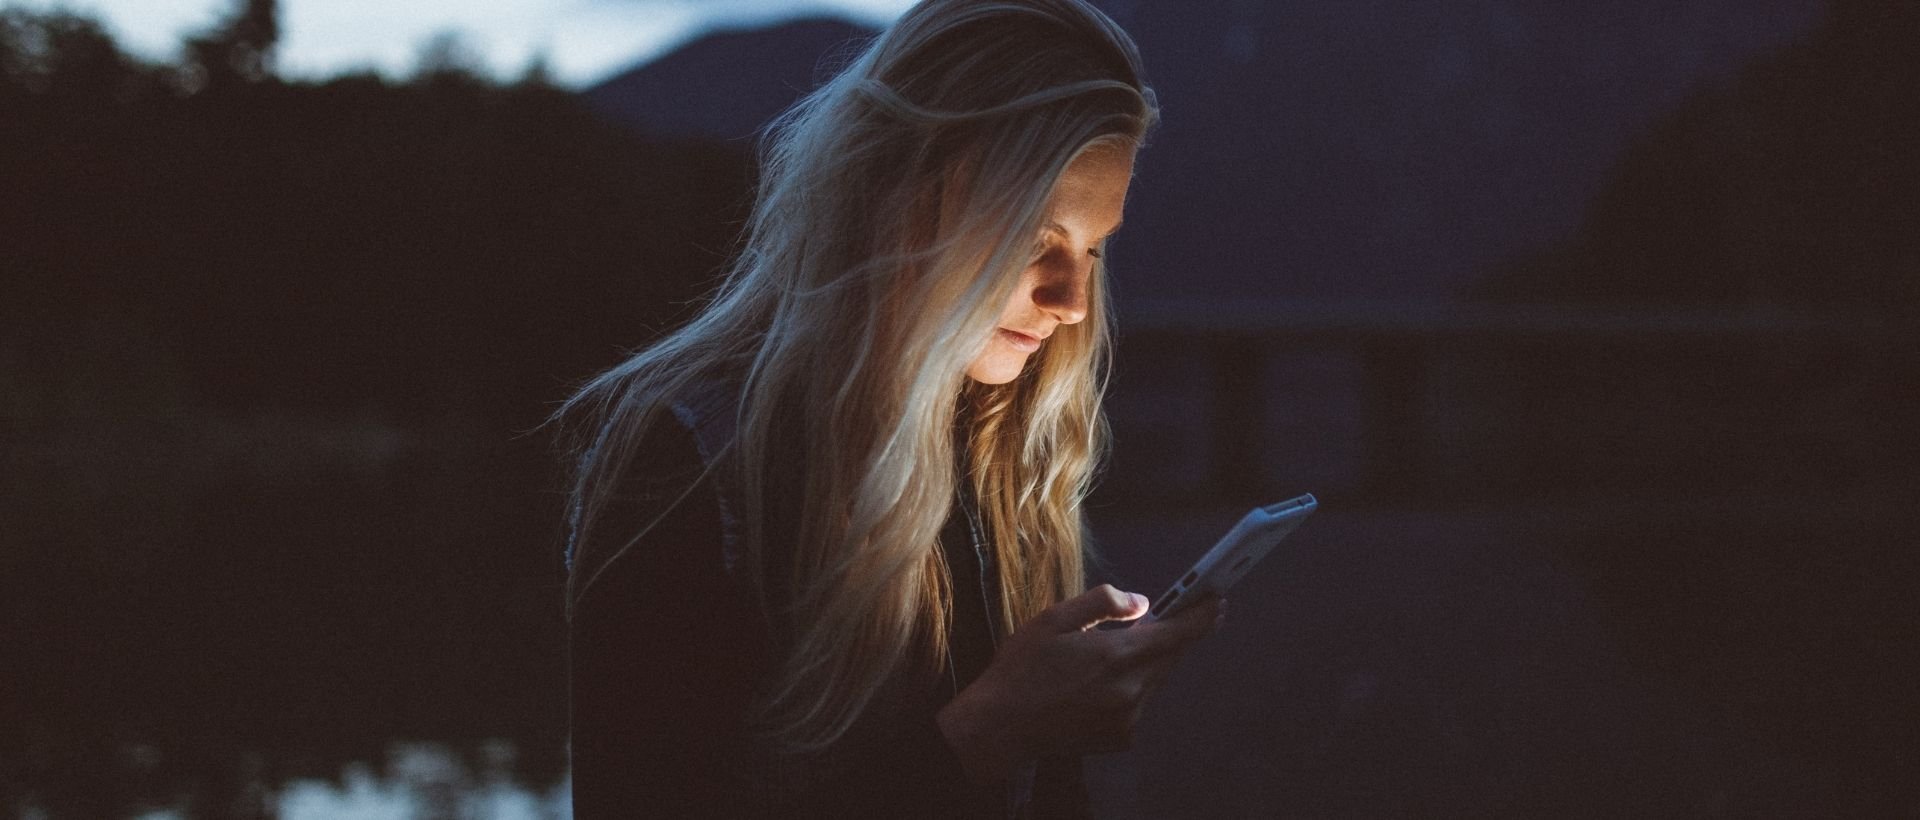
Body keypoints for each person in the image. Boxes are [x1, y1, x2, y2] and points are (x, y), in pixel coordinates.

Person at [555, 0, 1223, 815]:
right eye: (1033, 237)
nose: (1073, 301)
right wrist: (993, 730)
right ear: (899, 193)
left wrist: (1055, 725)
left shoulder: (997, 454)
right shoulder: (693, 462)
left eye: (1092, 247)